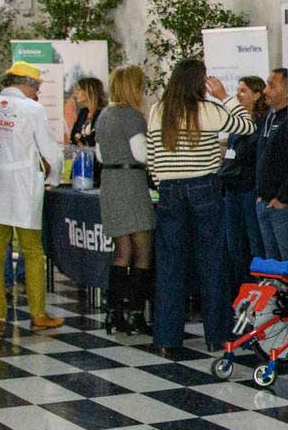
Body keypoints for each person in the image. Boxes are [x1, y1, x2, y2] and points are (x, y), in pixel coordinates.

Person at [147, 58, 254, 354]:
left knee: (170, 266)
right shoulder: (207, 110)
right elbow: (247, 126)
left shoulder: (158, 111)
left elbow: (152, 157)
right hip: (204, 188)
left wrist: (161, 182)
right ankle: (217, 336)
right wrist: (224, 96)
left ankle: (167, 339)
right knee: (212, 263)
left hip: (169, 190)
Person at [0, 62, 65, 336]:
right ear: (29, 85)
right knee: (32, 252)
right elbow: (50, 152)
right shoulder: (33, 109)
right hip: (25, 186)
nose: (37, 93)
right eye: (37, 88)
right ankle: (38, 314)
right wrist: (53, 179)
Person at [96, 66, 155, 336]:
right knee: (142, 249)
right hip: (131, 182)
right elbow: (142, 155)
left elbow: (99, 154)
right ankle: (135, 312)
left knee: (121, 250)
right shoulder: (132, 116)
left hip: (110, 182)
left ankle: (114, 312)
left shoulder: (104, 115)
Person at [220, 75, 267, 287]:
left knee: (254, 244)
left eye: (243, 91)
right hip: (231, 191)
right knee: (234, 246)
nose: (238, 95)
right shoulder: (236, 124)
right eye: (237, 90)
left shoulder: (260, 124)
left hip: (249, 190)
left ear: (257, 95)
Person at [253, 67, 288, 259]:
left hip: (280, 206)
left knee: (287, 263)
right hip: (264, 201)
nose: (265, 91)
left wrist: (283, 199)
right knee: (270, 263)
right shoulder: (269, 116)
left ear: (287, 89)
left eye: (271, 85)